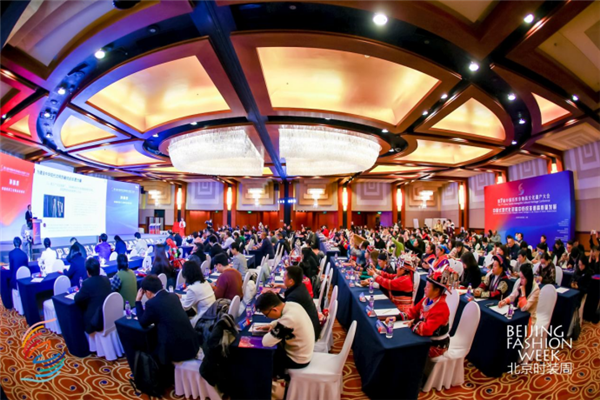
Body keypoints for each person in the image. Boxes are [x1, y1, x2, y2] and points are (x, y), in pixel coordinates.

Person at [135, 276, 201, 391]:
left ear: (148, 292)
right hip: (192, 343)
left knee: (151, 349)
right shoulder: (173, 296)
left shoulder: (152, 304)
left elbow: (143, 322)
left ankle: (163, 379)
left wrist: (138, 301)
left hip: (178, 351)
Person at [255, 292, 315, 378]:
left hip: (298, 360)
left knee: (262, 357)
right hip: (304, 351)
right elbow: (283, 320)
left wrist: (273, 330)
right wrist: (272, 324)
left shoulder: (289, 319)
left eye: (266, 315)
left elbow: (266, 342)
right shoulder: (293, 305)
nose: (267, 317)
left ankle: (276, 380)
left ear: (274, 309)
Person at [395, 270, 451, 359]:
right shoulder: (426, 300)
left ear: (437, 290)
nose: (424, 288)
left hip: (435, 345)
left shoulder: (441, 308)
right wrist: (397, 317)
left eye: (428, 287)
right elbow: (413, 312)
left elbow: (426, 329)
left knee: (405, 350)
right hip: (424, 338)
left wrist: (414, 323)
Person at [280, 266, 321, 341]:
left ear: (291, 281)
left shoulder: (294, 296)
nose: (283, 278)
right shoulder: (300, 286)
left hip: (309, 334)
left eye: (284, 277)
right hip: (310, 326)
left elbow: (286, 317)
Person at [74, 258, 112, 334]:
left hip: (95, 321)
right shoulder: (106, 280)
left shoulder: (87, 283)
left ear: (88, 272)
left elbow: (77, 299)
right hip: (108, 317)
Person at [179, 260, 216, 327]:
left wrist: (176, 300)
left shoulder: (192, 289)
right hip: (212, 314)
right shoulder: (205, 282)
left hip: (203, 319)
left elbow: (185, 307)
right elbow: (195, 296)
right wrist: (181, 296)